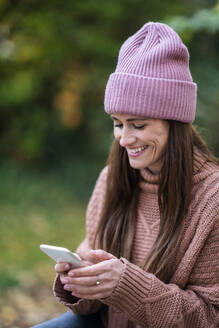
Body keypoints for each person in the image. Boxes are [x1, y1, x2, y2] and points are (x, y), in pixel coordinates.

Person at [33, 22, 219, 328]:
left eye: (139, 124)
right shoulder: (111, 179)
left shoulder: (212, 199)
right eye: (118, 123)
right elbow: (91, 302)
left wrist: (128, 286)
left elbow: (210, 317)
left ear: (176, 122)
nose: (124, 139)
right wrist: (80, 281)